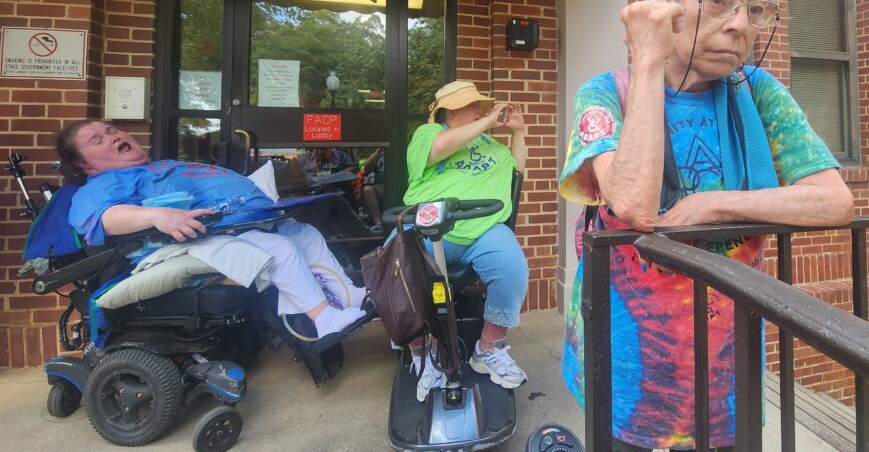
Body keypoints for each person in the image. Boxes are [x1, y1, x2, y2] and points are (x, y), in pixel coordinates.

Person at [559, 0, 855, 452]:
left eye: (757, 10)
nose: (741, 25)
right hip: (625, 363)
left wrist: (717, 204)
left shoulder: (760, 94)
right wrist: (648, 59)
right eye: (720, 1)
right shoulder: (605, 94)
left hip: (724, 368)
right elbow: (634, 205)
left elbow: (834, 200)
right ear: (666, 3)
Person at [56, 120, 367, 339]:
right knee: (279, 250)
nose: (112, 136)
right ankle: (323, 319)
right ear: (85, 165)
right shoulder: (101, 184)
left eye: (112, 130)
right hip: (202, 236)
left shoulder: (157, 166)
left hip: (246, 219)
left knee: (304, 234)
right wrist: (158, 216)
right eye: (97, 140)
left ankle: (347, 296)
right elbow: (102, 218)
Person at [403, 80, 529, 401]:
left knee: (511, 265)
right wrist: (487, 121)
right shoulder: (427, 134)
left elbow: (517, 168)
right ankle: (423, 350)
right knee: (402, 267)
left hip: (484, 230)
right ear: (452, 110)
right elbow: (440, 148)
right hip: (432, 230)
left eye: (481, 107)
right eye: (474, 106)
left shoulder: (488, 143)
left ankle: (487, 348)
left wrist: (517, 132)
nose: (480, 110)